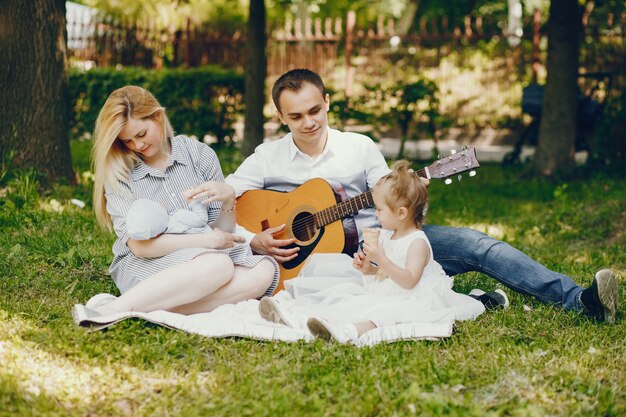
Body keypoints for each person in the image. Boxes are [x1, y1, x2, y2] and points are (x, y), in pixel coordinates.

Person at [226, 68, 618, 323]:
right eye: (296, 116)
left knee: (474, 244)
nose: (309, 122)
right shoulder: (268, 157)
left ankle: (581, 300)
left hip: (389, 246)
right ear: (280, 117)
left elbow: (393, 197)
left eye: (315, 110)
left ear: (328, 102)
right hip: (325, 264)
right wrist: (253, 239)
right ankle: (481, 300)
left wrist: (412, 190)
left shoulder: (358, 147)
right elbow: (229, 199)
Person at [72, 85, 278, 325]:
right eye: (127, 141)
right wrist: (206, 242)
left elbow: (223, 230)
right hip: (149, 260)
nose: (137, 146)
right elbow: (141, 248)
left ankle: (150, 309)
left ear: (158, 117)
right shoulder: (119, 171)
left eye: (141, 134)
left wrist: (228, 200)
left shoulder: (199, 155)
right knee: (219, 265)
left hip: (203, 258)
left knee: (264, 271)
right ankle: (109, 311)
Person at [258, 161, 509, 343]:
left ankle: (348, 332)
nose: (374, 214)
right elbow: (384, 274)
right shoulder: (389, 234)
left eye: (379, 210)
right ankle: (294, 316)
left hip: (413, 297)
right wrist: (369, 268)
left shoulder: (418, 243)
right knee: (343, 292)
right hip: (389, 288)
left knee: (383, 313)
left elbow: (409, 281)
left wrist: (381, 259)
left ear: (401, 213)